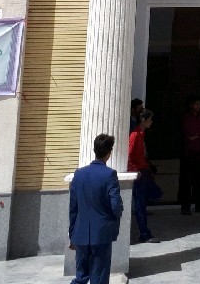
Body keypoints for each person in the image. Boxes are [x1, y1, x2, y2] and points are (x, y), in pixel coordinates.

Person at [68, 133, 124, 284]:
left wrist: (72, 234)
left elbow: (73, 207)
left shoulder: (79, 174)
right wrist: (115, 218)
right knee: (99, 277)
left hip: (80, 233)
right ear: (109, 153)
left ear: (94, 150)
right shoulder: (109, 174)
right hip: (101, 233)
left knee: (81, 277)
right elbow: (116, 205)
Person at [129, 110, 161, 242]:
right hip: (139, 172)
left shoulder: (141, 135)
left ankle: (144, 231)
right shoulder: (135, 135)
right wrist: (135, 170)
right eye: (150, 120)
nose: (151, 122)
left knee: (154, 194)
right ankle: (144, 233)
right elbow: (129, 155)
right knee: (140, 203)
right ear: (144, 120)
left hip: (144, 170)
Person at [179, 96, 200, 214]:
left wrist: (198, 135)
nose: (198, 106)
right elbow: (187, 133)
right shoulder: (186, 118)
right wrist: (199, 134)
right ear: (191, 105)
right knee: (186, 181)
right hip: (189, 152)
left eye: (199, 104)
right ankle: (185, 207)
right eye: (196, 104)